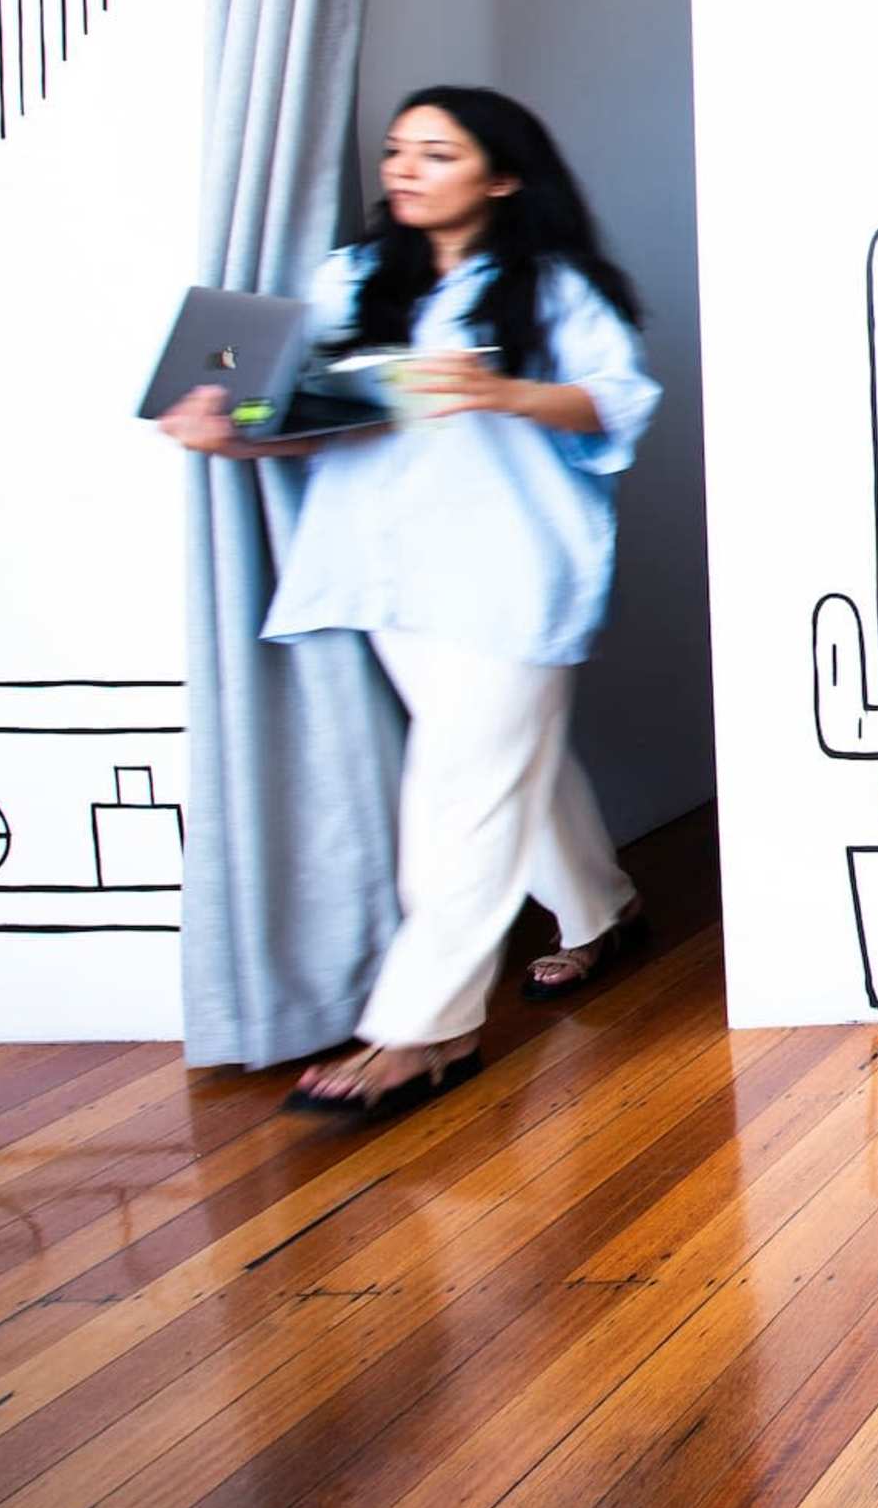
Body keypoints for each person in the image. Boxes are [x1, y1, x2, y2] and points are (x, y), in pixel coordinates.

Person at [157, 87, 658, 1119]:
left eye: (436, 152)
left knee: (459, 788)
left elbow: (619, 396)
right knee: (498, 759)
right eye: (396, 151)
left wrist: (502, 388)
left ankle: (424, 1028)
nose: (404, 168)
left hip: (508, 565)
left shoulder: (550, 286)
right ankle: (603, 910)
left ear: (502, 174)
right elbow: (313, 415)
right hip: (381, 563)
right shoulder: (349, 277)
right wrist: (230, 431)